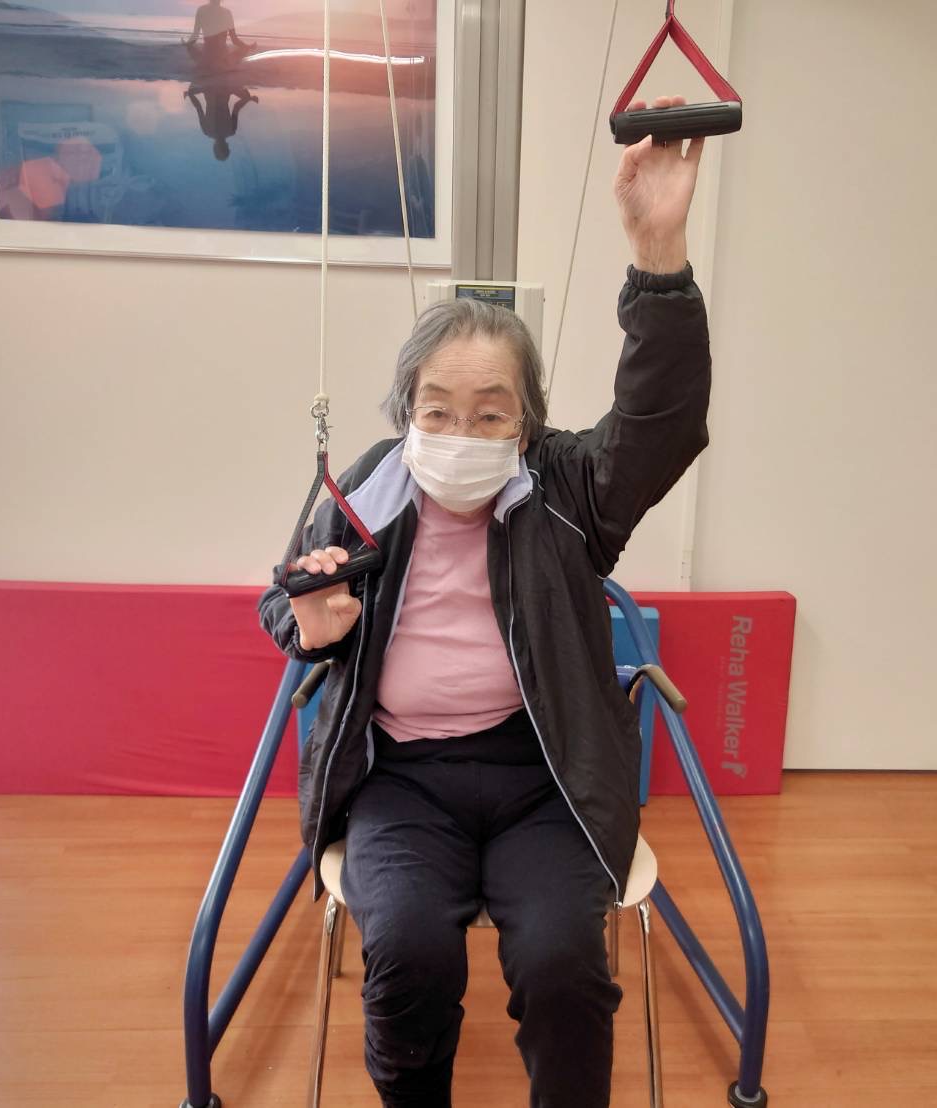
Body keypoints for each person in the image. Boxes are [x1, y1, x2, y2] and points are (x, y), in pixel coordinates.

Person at [258, 95, 710, 1108]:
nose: (460, 434)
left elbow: (662, 421)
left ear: (527, 425)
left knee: (561, 964)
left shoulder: (567, 490)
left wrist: (658, 257)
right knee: (410, 954)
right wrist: (308, 624)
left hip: (542, 775)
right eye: (438, 410)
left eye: (490, 414)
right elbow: (284, 599)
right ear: (406, 413)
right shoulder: (368, 486)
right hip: (400, 780)